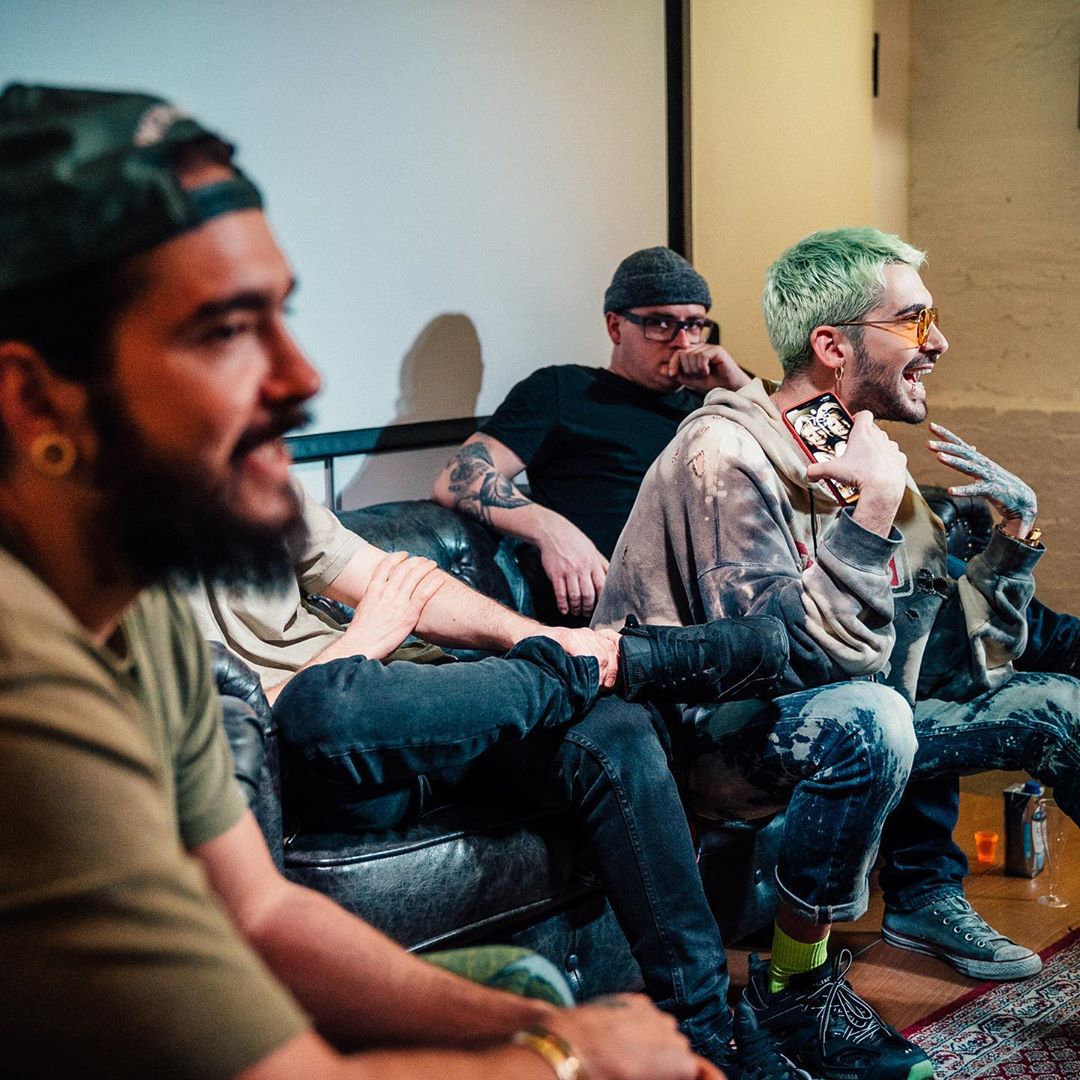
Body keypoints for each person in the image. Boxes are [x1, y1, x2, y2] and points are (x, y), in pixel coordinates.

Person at [0, 82, 738, 1080]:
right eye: (225, 329)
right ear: (36, 400)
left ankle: (706, 1007)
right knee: (331, 707)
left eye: (283, 314)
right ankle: (620, 663)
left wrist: (549, 1029)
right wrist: (565, 1057)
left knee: (602, 743)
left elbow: (261, 913)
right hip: (325, 719)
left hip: (394, 696)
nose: (303, 378)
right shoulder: (26, 660)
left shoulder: (136, 606)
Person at [594, 226, 1080, 1080]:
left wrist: (1014, 539)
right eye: (915, 319)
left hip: (842, 698)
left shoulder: (837, 437)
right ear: (832, 345)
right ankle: (798, 985)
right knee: (874, 718)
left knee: (1061, 706)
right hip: (700, 733)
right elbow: (773, 661)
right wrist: (872, 513)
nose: (939, 342)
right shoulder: (723, 454)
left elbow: (964, 651)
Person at [191, 467, 794, 1076]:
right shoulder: (128, 583)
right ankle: (623, 662)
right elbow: (226, 728)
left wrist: (547, 637)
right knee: (316, 708)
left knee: (614, 729)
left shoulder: (249, 483)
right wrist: (362, 640)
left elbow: (396, 582)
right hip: (328, 753)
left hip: (427, 703)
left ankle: (704, 1033)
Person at [433, 246, 750, 620]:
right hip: (627, 621)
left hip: (728, 605)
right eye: (661, 324)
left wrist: (738, 387)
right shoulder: (563, 391)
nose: (683, 342)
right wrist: (550, 529)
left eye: (694, 324)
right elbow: (456, 478)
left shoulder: (720, 401)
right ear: (615, 326)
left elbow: (799, 472)